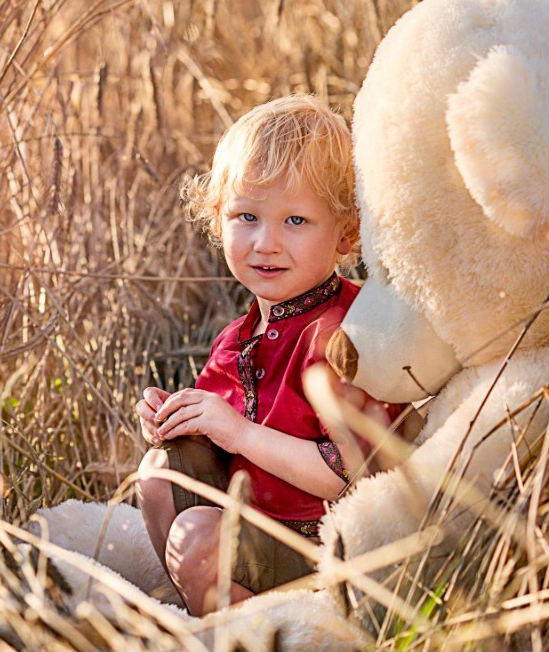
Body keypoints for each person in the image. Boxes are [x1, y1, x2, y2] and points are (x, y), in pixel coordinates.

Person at [135, 94, 409, 616]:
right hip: (256, 522)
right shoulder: (238, 337)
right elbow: (216, 439)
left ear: (346, 232)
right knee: (158, 474)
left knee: (198, 535)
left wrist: (238, 433)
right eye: (247, 215)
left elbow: (347, 473)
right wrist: (176, 421)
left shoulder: (344, 333)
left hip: (322, 544)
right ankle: (206, 609)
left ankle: (258, 629)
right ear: (219, 219)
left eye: (296, 221)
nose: (266, 242)